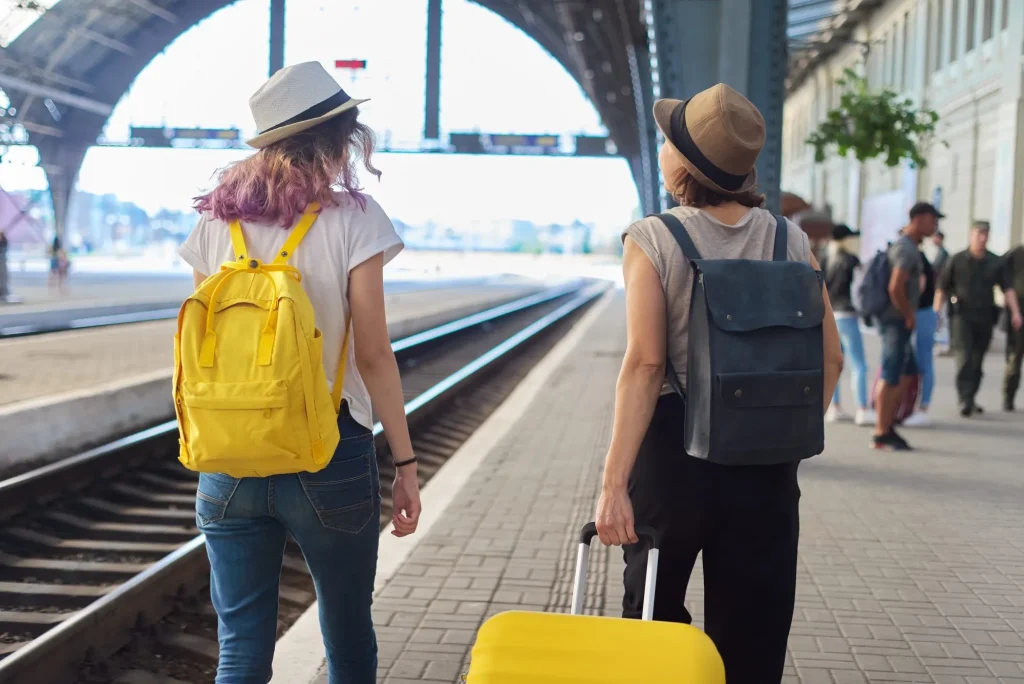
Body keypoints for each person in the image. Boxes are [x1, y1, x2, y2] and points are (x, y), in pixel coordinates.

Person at [179, 61, 422, 683]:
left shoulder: (214, 223)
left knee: (239, 645)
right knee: (346, 634)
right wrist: (406, 465)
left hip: (228, 455)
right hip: (328, 450)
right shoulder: (355, 218)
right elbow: (372, 353)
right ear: (341, 137)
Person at [594, 84, 843, 683]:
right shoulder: (791, 239)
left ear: (683, 163)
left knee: (653, 629)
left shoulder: (651, 238)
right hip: (764, 458)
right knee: (753, 635)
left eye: (667, 141)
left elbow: (647, 365)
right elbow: (830, 357)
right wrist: (780, 432)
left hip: (672, 455)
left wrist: (613, 482)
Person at [935, 221, 1023, 416]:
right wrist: (936, 314)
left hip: (984, 317)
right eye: (978, 234)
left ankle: (971, 397)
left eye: (985, 234)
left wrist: (1016, 312)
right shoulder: (956, 260)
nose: (982, 238)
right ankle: (964, 399)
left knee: (977, 360)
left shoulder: (994, 262)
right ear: (971, 235)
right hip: (961, 317)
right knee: (964, 356)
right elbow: (942, 287)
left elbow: (1007, 289)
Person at [871, 203, 939, 450]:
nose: (936, 226)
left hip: (898, 319)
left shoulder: (908, 246)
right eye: (933, 220)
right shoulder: (906, 249)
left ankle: (888, 425)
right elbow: (895, 287)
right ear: (920, 219)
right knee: (891, 373)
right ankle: (880, 431)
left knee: (906, 371)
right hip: (895, 320)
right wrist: (909, 314)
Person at [822, 223, 874, 425]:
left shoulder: (826, 259)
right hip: (848, 314)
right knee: (859, 363)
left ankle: (834, 407)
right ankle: (862, 408)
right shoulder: (851, 260)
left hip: (830, 314)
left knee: (834, 362)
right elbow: (861, 290)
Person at [902, 250, 938, 427]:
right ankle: (914, 406)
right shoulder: (916, 256)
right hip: (921, 312)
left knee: (924, 362)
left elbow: (920, 286)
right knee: (918, 361)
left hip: (922, 313)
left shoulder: (917, 258)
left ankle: (923, 407)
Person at [1003, 243, 1024, 410]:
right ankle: (1008, 397)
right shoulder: (1016, 254)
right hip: (1019, 313)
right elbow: (1001, 276)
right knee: (1014, 357)